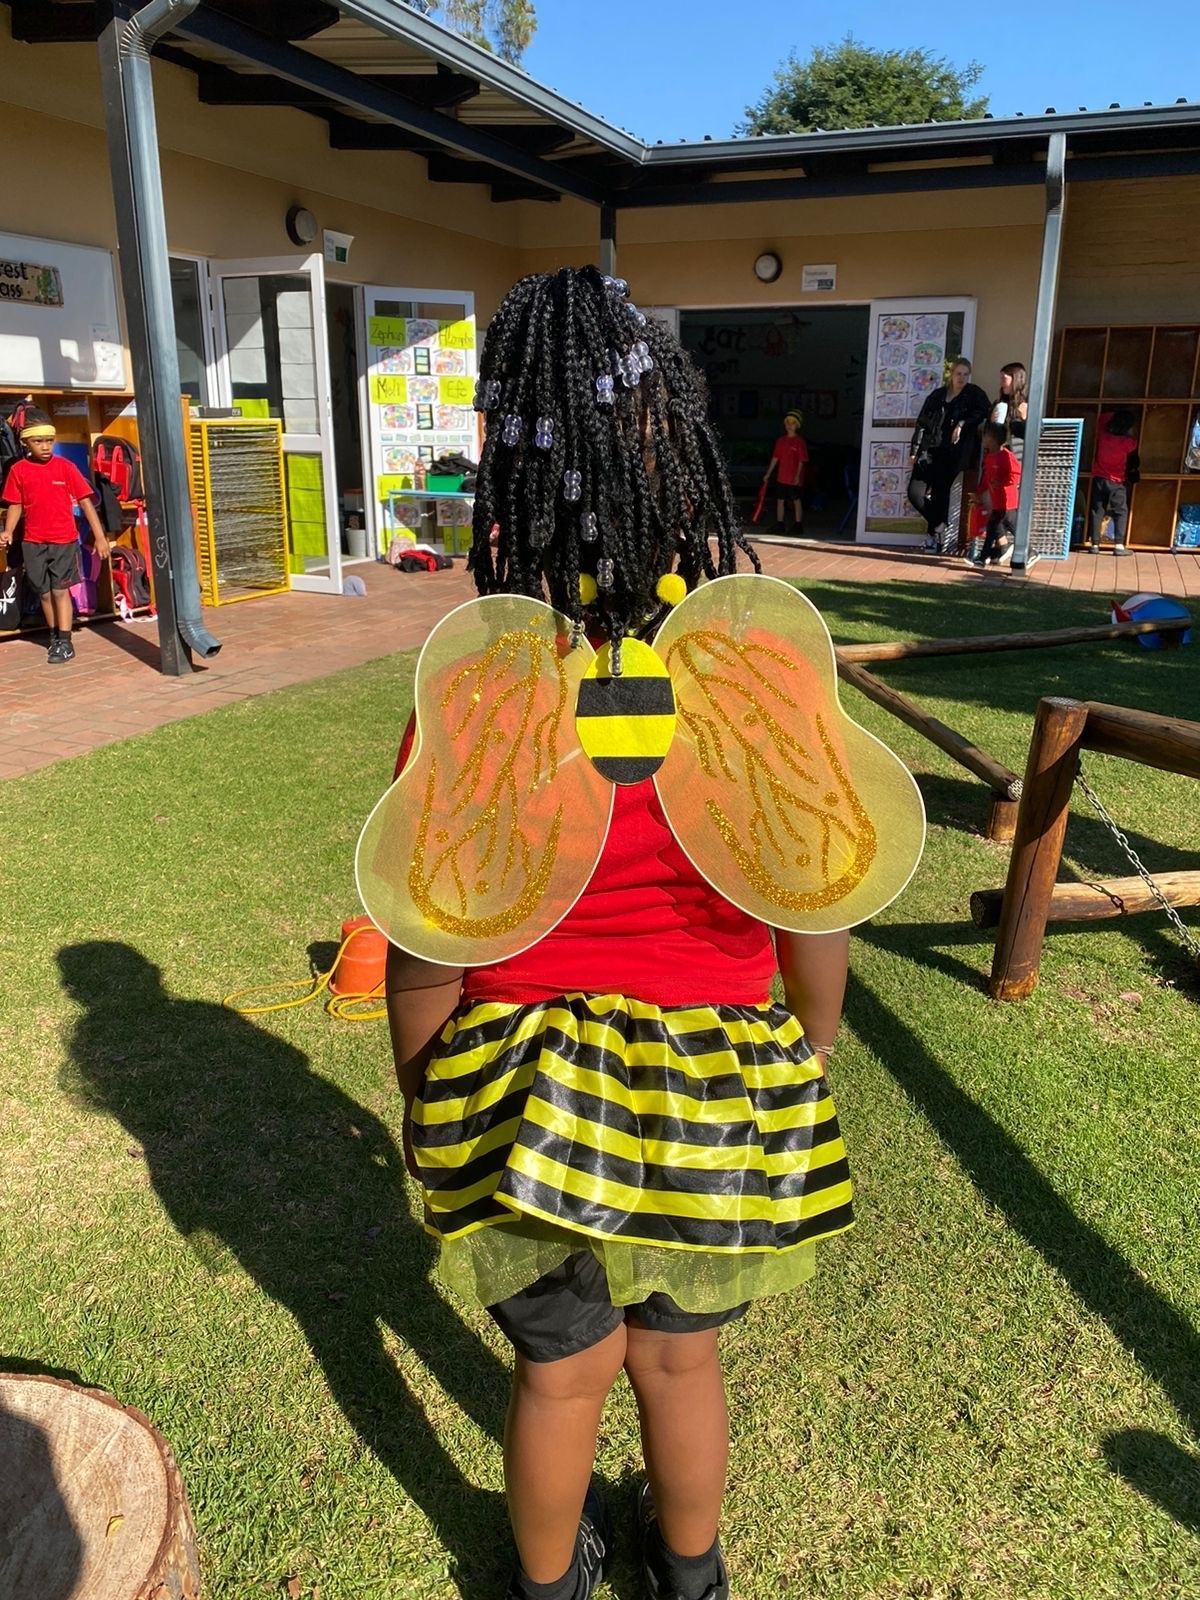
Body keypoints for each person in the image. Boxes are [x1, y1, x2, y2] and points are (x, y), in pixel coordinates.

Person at [365, 268, 923, 1600]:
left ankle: (547, 1587)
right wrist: (813, 1044)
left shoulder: (483, 687)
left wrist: (427, 1089)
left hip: (524, 1088)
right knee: (679, 1357)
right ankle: (691, 1575)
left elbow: (424, 936)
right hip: (712, 1083)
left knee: (561, 1371)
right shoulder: (756, 672)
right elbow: (812, 903)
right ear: (683, 457)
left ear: (511, 477)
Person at [1, 416, 109, 662]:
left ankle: (65, 641)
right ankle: (54, 637)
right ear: (26, 443)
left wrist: (100, 536)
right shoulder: (18, 470)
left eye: (49, 441)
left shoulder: (65, 467)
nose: (45, 446)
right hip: (33, 541)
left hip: (63, 540)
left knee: (60, 590)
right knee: (44, 592)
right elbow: (15, 504)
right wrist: (8, 531)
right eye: (39, 441)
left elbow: (86, 502)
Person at [907, 357, 990, 553]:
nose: (962, 378)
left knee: (940, 494)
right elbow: (922, 424)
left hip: (953, 453)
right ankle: (940, 524)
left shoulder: (973, 394)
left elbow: (984, 411)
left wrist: (962, 423)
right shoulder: (937, 396)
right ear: (951, 375)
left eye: (965, 375)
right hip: (929, 451)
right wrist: (914, 451)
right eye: (958, 374)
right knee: (915, 493)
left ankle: (934, 540)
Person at [1086, 408, 1140, 555]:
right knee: (1120, 511)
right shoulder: (1128, 443)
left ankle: (1094, 545)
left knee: (1097, 511)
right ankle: (1119, 546)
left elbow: (1102, 418)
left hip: (1099, 479)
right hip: (1116, 482)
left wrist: (1115, 413)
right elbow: (1134, 445)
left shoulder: (1103, 437)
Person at [970, 419, 1022, 567]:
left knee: (1006, 526)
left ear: (993, 439)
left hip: (1008, 502)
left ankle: (984, 556)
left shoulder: (1006, 455)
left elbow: (1016, 473)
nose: (983, 439)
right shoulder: (989, 457)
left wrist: (1002, 482)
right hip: (997, 501)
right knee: (993, 527)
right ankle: (986, 555)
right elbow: (987, 477)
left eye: (985, 436)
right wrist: (980, 492)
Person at [761, 408, 808, 533]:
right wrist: (768, 473)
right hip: (782, 477)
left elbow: (801, 460)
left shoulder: (799, 442)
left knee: (796, 500)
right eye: (787, 422)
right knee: (780, 500)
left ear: (797, 425)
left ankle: (798, 524)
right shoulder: (781, 441)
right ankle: (780, 523)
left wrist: (797, 476)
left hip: (793, 478)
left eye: (793, 423)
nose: (789, 425)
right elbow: (775, 458)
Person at [990, 362, 1029, 461]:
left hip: (1019, 457)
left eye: (1004, 379)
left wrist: (1024, 419)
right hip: (999, 456)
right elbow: (987, 433)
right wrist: (991, 421)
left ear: (1015, 379)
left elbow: (1036, 433)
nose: (1001, 383)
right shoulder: (999, 403)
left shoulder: (1028, 404)